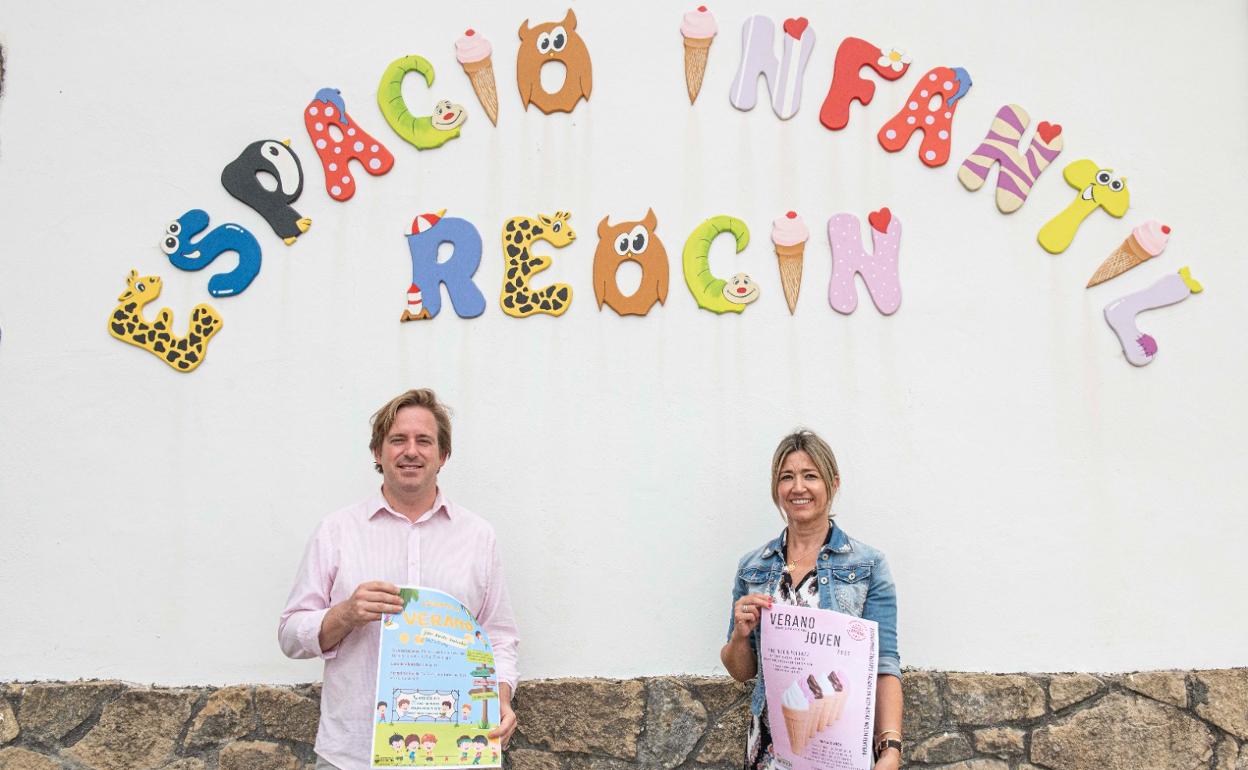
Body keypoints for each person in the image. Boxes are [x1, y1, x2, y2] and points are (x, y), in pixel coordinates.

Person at [279, 388, 520, 770]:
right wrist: (345, 614)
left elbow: (499, 636)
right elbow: (290, 636)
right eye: (398, 440)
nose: (411, 451)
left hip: (455, 752)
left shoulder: (478, 536)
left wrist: (501, 697)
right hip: (353, 755)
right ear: (378, 452)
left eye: (424, 441)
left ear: (443, 455)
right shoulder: (336, 532)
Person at [720, 430, 903, 770]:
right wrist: (739, 637)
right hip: (771, 751)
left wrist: (890, 748)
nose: (798, 487)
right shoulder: (753, 568)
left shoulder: (868, 565)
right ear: (777, 488)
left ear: (833, 483)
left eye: (810, 476)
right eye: (787, 477)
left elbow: (885, 665)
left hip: (841, 744)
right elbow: (741, 671)